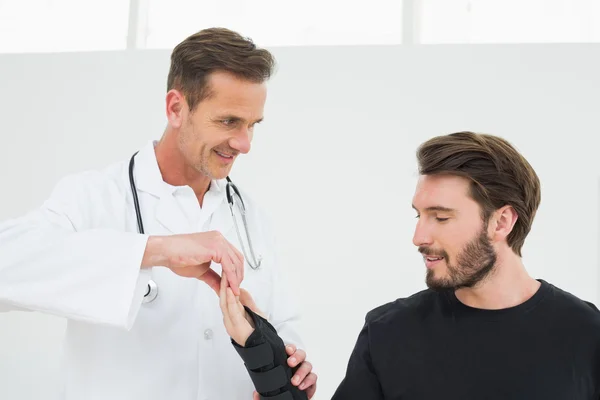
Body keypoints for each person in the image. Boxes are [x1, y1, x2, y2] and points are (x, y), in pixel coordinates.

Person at [0, 27, 316, 400]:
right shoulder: (94, 196)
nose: (244, 144)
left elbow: (283, 324)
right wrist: (155, 250)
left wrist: (288, 369)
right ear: (176, 108)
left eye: (252, 125)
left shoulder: (252, 218)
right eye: (229, 121)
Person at [332, 131, 600, 399]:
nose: (418, 238)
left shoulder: (587, 335)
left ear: (501, 222)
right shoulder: (388, 332)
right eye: (419, 215)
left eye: (440, 217)